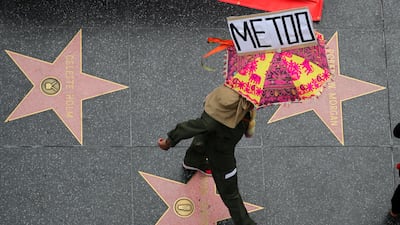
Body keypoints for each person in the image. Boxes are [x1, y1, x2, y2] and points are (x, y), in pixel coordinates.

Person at [158, 85, 257, 225]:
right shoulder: (224, 115)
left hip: (215, 136)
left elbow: (199, 126)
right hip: (221, 154)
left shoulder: (226, 97)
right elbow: (188, 128)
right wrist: (169, 141)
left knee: (204, 137)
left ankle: (193, 160)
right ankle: (244, 222)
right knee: (230, 193)